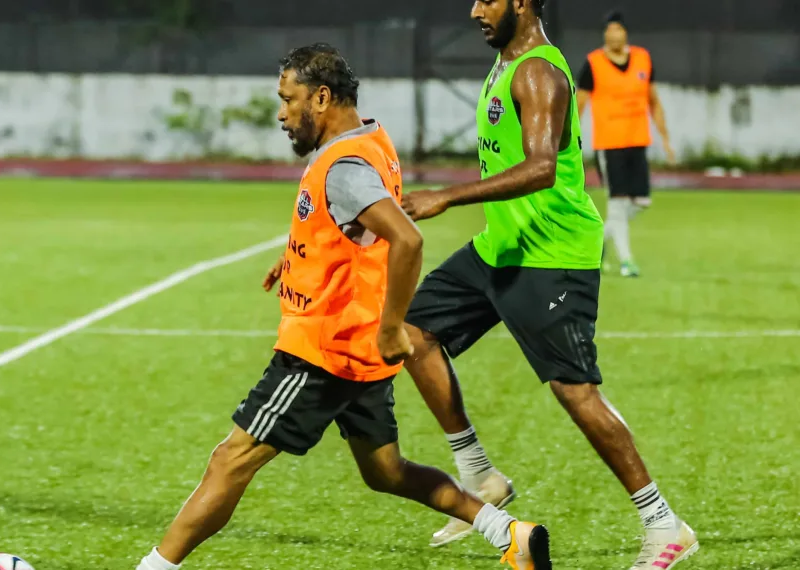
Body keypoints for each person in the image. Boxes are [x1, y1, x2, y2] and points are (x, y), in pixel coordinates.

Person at [135, 43, 552, 570]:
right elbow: (355, 232)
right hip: (359, 348)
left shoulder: (344, 167)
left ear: (321, 98)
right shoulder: (370, 139)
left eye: (288, 100)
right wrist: (296, 255)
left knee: (230, 460)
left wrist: (394, 327)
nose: (281, 114)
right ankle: (509, 533)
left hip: (324, 351)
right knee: (386, 471)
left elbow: (407, 240)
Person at [400, 1, 698, 568]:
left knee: (575, 391)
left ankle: (664, 524)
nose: (474, 10)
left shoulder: (538, 71)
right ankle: (479, 476)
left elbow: (541, 167)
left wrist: (447, 195)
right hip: (503, 245)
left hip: (552, 254)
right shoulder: (505, 61)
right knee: (413, 332)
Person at [577, 11, 674, 278]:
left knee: (641, 201)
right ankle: (627, 262)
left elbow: (654, 101)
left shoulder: (643, 59)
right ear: (604, 35)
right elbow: (579, 104)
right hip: (609, 145)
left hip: (637, 141)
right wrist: (569, 139)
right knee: (617, 204)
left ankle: (596, 241)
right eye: (609, 30)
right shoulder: (593, 63)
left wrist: (665, 139)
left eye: (618, 29)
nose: (613, 35)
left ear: (625, 33)